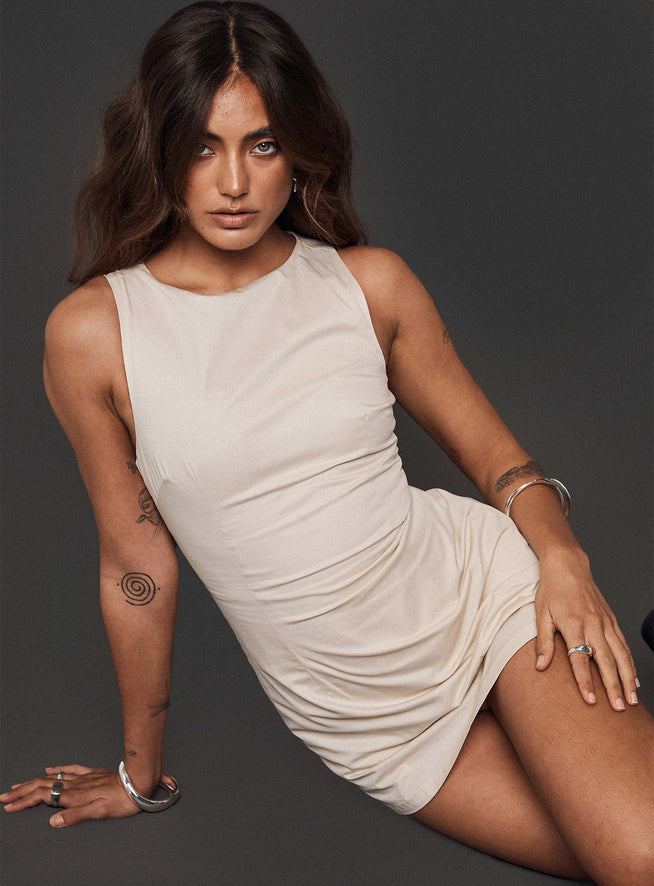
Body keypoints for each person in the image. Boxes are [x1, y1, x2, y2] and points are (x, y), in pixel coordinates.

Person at [2, 2, 652, 882]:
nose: (234, 181)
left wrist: (564, 562)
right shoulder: (95, 334)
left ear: (300, 148)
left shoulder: (368, 285)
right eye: (203, 146)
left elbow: (501, 462)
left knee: (641, 854)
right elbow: (134, 565)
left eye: (263, 144)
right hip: (364, 718)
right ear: (159, 147)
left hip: (486, 601)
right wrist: (137, 775)